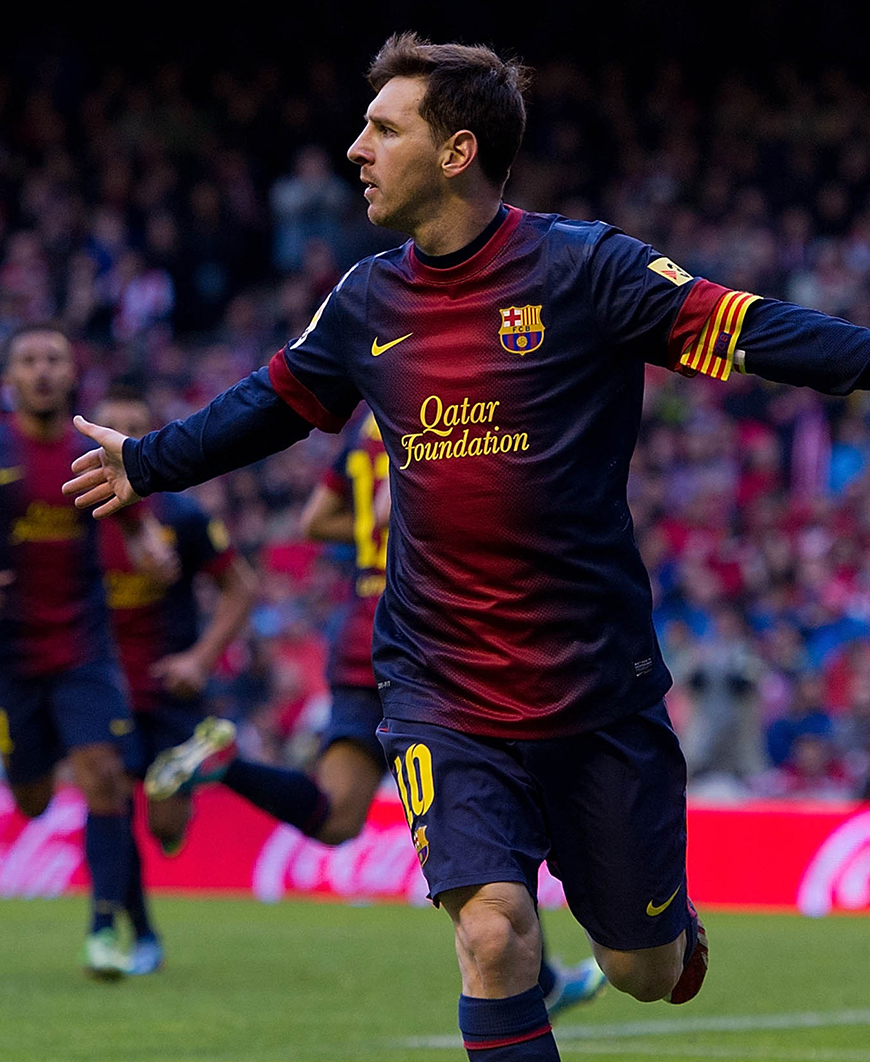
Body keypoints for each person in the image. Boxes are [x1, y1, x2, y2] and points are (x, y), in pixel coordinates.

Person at [64, 34, 870, 1061]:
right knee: (494, 936)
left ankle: (665, 936)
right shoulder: (368, 298)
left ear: (456, 151)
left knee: (643, 970)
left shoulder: (587, 269)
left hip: (595, 691)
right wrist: (148, 462)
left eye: (383, 128)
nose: (355, 149)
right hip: (441, 687)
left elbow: (748, 327)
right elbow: (272, 403)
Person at [146, 411, 604, 1017]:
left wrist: (375, 538)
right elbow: (392, 507)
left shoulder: (369, 420)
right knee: (496, 796)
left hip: (364, 626)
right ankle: (538, 976)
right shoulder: (430, 407)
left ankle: (229, 765)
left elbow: (317, 519)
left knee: (337, 815)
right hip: (429, 627)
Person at [0, 326, 171, 980]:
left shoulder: (92, 449)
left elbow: (137, 518)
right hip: (8, 656)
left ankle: (105, 931)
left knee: (104, 774)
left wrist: (152, 547)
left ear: (72, 373)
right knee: (30, 799)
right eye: (29, 360)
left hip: (83, 646)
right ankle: (41, 772)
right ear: (10, 378)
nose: (43, 371)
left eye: (55, 359)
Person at [90, 388, 259, 976]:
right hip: (102, 689)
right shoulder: (75, 516)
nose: (120, 435)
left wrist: (201, 659)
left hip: (169, 691)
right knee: (110, 800)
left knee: (165, 827)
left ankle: (130, 921)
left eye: (134, 427)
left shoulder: (182, 516)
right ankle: (136, 933)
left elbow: (242, 587)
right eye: (112, 425)